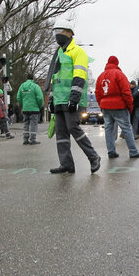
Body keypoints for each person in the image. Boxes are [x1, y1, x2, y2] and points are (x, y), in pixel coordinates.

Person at [45, 20, 101, 174]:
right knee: (61, 133)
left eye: (60, 32)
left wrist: (74, 98)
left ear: (69, 33)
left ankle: (94, 156)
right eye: (55, 32)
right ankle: (66, 163)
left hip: (71, 99)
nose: (57, 35)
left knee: (73, 128)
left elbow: (79, 76)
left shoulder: (78, 52)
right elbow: (54, 79)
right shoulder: (58, 54)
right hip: (59, 99)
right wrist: (50, 99)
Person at [96, 56, 139, 159]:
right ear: (117, 63)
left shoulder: (101, 76)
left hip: (105, 107)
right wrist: (130, 106)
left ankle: (111, 152)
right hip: (119, 107)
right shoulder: (119, 74)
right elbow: (126, 93)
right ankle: (133, 151)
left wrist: (101, 105)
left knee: (108, 129)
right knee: (126, 128)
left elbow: (98, 93)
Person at [17, 73, 44, 145]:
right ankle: (33, 139)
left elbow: (18, 97)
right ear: (33, 78)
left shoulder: (22, 86)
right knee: (33, 124)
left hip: (25, 108)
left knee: (26, 123)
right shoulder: (35, 86)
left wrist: (23, 104)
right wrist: (39, 106)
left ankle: (25, 139)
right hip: (34, 108)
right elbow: (40, 98)